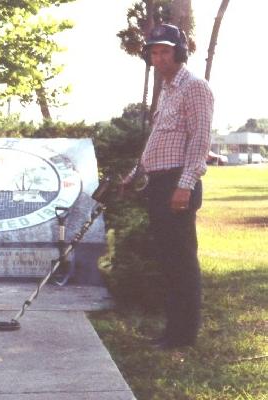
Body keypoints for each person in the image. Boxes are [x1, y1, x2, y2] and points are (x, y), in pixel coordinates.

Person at [122, 24, 214, 350]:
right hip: (158, 183)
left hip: (178, 183)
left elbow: (200, 141)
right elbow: (158, 141)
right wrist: (136, 173)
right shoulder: (167, 90)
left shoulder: (195, 88)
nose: (158, 57)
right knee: (168, 261)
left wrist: (185, 186)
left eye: (165, 51)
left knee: (181, 261)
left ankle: (182, 336)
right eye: (154, 52)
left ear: (179, 51)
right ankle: (171, 331)